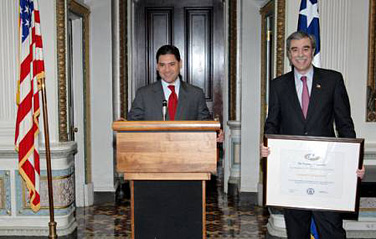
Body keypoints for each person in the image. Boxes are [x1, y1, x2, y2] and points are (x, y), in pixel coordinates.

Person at [261, 31, 365, 239]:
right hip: (293, 175)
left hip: (326, 172)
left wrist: (355, 160)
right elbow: (272, 123)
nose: (300, 54)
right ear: (289, 55)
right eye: (295, 50)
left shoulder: (333, 80)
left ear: (313, 51)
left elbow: (344, 124)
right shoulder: (278, 85)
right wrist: (267, 146)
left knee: (331, 230)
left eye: (305, 49)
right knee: (297, 231)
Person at [128, 44, 211, 121]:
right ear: (157, 66)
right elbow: (132, 126)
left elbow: (206, 126)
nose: (167, 70)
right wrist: (123, 126)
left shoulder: (196, 94)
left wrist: (217, 133)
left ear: (180, 64)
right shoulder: (143, 94)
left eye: (172, 64)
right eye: (162, 65)